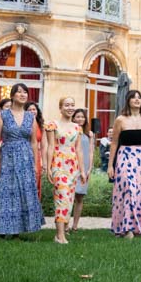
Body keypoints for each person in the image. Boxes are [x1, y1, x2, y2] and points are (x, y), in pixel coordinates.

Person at [0, 83, 43, 238]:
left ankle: (18, 230)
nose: (23, 95)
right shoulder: (2, 115)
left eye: (25, 92)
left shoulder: (30, 116)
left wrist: (35, 164)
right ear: (12, 95)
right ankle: (3, 229)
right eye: (19, 92)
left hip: (26, 157)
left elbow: (34, 142)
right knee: (6, 191)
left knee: (22, 192)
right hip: (7, 156)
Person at [108, 90, 141, 239]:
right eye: (133, 97)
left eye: (139, 97)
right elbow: (114, 143)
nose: (136, 100)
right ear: (128, 101)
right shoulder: (120, 120)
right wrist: (111, 165)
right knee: (128, 189)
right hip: (125, 156)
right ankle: (126, 228)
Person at [45, 96, 88, 244]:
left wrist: (82, 171)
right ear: (60, 107)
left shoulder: (77, 128)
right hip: (58, 163)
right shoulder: (53, 125)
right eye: (67, 105)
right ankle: (60, 235)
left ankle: (61, 233)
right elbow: (50, 147)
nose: (70, 108)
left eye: (72, 105)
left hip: (72, 166)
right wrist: (48, 167)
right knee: (61, 196)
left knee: (69, 199)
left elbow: (79, 150)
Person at [71, 108, 94, 232]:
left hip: (84, 167)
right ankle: (65, 224)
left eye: (82, 117)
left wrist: (89, 168)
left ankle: (75, 225)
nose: (80, 119)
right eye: (77, 117)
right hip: (72, 165)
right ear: (73, 118)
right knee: (69, 195)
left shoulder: (89, 134)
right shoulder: (71, 131)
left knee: (80, 197)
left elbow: (90, 152)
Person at [26, 101, 45, 198]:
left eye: (34, 109)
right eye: (29, 110)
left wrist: (44, 162)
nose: (32, 111)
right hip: (24, 154)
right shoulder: (23, 123)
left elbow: (43, 145)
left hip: (36, 155)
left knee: (36, 181)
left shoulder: (40, 124)